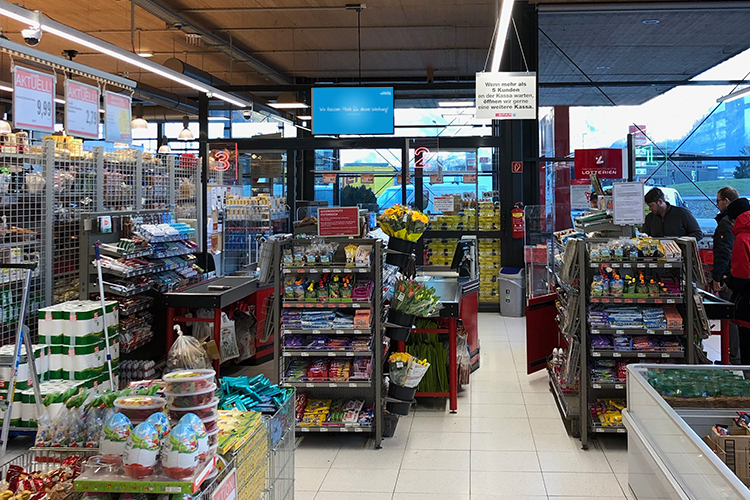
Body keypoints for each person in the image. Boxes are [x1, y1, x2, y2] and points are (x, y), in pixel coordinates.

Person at [713, 187, 741, 363]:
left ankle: (734, 357)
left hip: (728, 276)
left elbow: (724, 252)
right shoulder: (738, 221)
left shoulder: (726, 222)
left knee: (731, 318)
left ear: (727, 201)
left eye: (718, 201)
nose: (717, 204)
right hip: (739, 275)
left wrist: (717, 277)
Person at [725, 197, 750, 365]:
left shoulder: (742, 238)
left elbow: (741, 277)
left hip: (748, 302)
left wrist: (728, 280)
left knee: (748, 349)